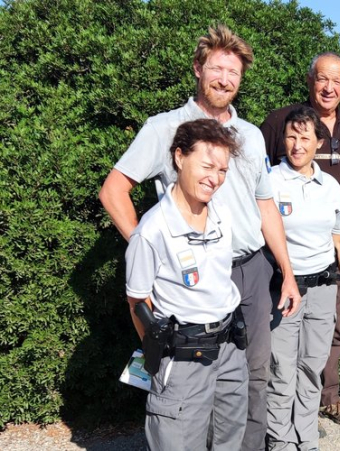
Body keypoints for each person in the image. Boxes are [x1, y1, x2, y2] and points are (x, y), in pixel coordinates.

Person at [98, 25, 300, 451]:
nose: (225, 78)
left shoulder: (250, 135)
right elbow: (113, 190)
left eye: (234, 71)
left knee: (250, 377)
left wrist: (286, 270)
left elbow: (266, 205)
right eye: (217, 68)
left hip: (249, 271)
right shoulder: (166, 128)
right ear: (197, 69)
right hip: (189, 284)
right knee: (185, 392)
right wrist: (151, 251)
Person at [260, 52, 340, 429]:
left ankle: (324, 401)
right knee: (284, 347)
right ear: (310, 81)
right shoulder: (279, 122)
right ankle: (286, 415)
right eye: (322, 78)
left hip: (335, 248)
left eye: (336, 81)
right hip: (283, 261)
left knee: (330, 331)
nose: (329, 87)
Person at [125, 119, 246, 449]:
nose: (215, 179)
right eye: (207, 166)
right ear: (179, 157)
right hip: (183, 359)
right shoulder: (151, 232)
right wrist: (161, 351)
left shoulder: (220, 213)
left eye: (222, 170)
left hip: (230, 348)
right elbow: (137, 301)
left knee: (229, 441)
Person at [266, 106, 340, 451]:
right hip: (285, 291)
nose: (297, 144)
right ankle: (280, 442)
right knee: (282, 371)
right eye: (291, 135)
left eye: (305, 137)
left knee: (311, 368)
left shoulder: (330, 186)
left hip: (323, 289)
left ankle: (306, 440)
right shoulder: (270, 182)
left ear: (318, 142)